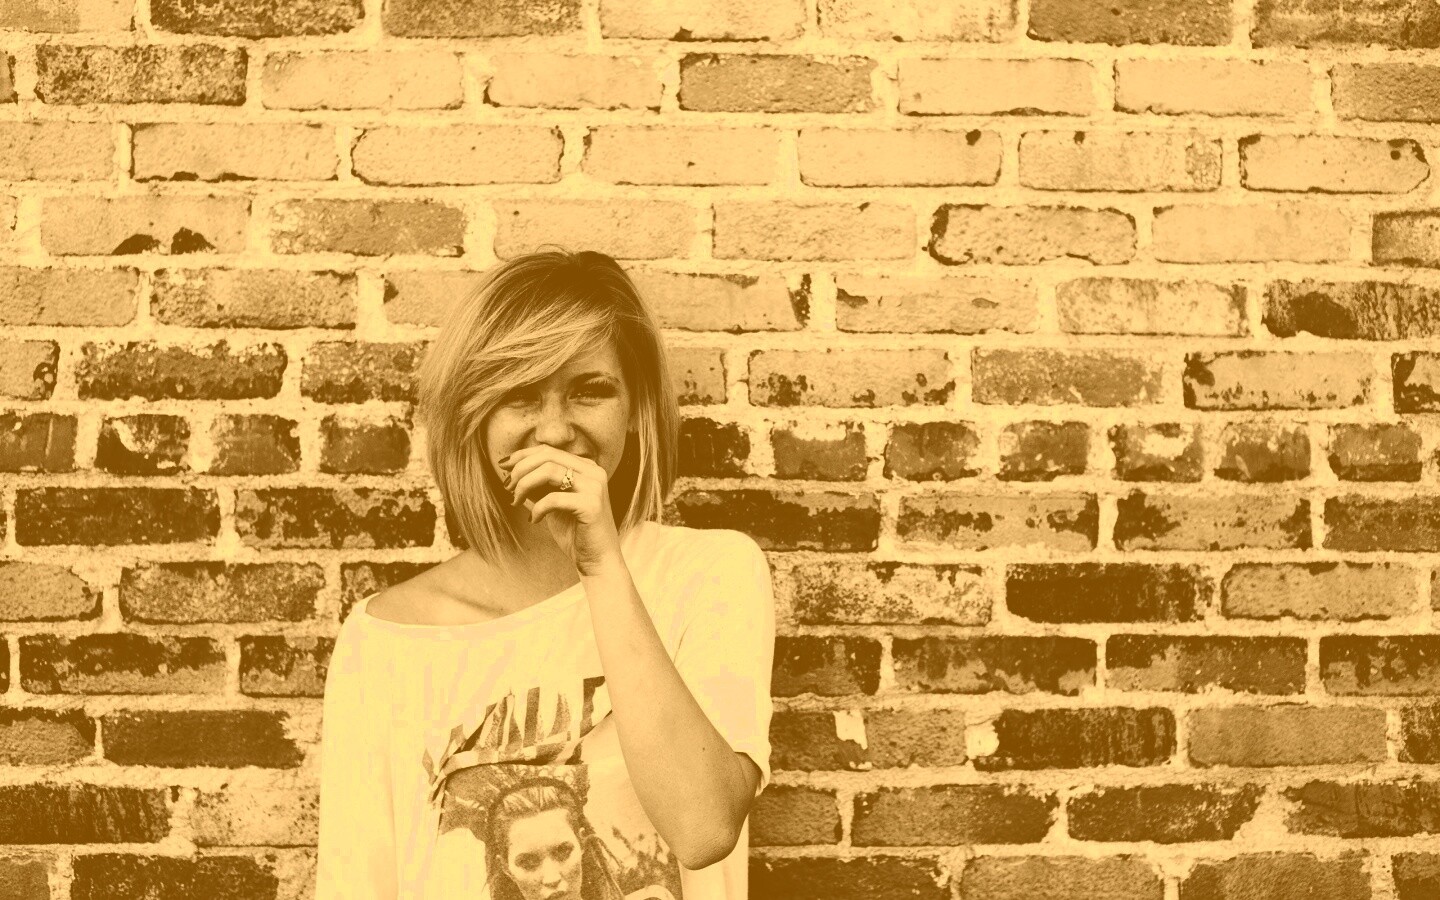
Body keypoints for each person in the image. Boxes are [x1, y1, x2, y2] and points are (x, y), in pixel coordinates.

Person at [315, 248, 776, 900]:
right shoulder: (385, 640)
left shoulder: (709, 576)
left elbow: (703, 828)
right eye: (520, 395)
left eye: (590, 389)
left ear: (634, 407)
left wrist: (600, 562)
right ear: (474, 416)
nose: (555, 430)